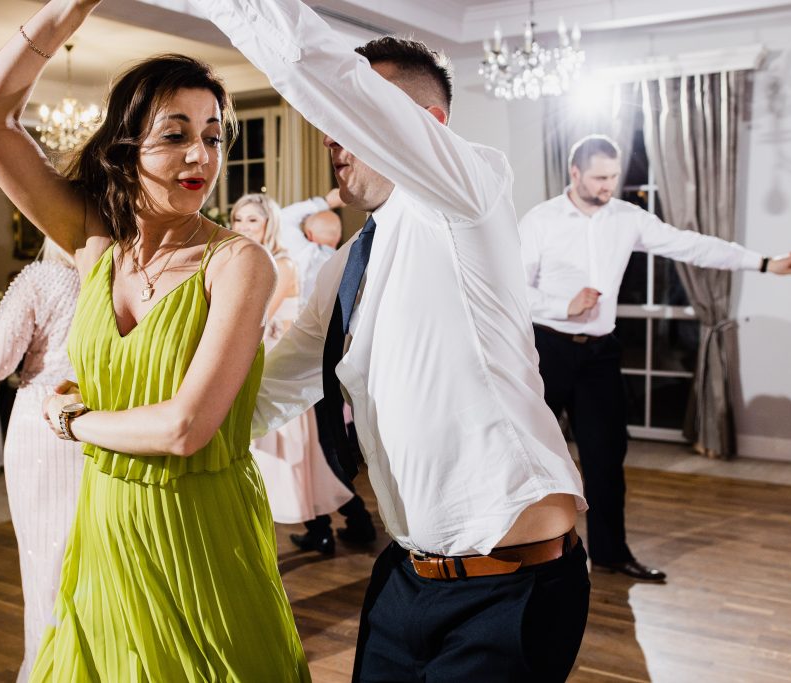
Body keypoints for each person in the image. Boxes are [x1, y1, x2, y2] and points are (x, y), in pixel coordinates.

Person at [199, 1, 590, 679]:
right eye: (331, 125)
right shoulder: (347, 265)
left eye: (354, 118)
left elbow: (315, 63)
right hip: (406, 575)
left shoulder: (469, 193)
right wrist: (142, 420)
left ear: (427, 129)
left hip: (512, 588)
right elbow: (267, 389)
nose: (332, 137)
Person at [0, 1, 309, 680]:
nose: (200, 155)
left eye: (213, 136)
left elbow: (185, 428)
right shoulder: (94, 241)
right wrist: (70, 8)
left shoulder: (240, 263)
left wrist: (71, 418)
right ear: (125, 147)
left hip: (199, 526)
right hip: (105, 518)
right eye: (176, 134)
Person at [519, 134, 791, 582]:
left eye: (613, 176)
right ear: (575, 173)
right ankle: (522, 553)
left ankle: (611, 554)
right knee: (530, 456)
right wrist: (565, 305)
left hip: (600, 354)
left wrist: (764, 262)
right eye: (599, 177)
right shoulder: (540, 220)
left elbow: (691, 245)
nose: (608, 185)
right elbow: (513, 289)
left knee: (606, 458)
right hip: (548, 349)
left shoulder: (627, 218)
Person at [231, 193, 371, 555]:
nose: (243, 227)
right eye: (238, 219)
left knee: (301, 458)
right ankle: (322, 528)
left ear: (269, 224)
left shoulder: (280, 263)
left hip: (283, 370)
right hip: (263, 363)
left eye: (252, 220)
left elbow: (253, 319)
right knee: (296, 460)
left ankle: (341, 523)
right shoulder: (245, 260)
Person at [0, 239, 83, 683]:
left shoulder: (41, 278)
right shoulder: (121, 272)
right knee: (93, 558)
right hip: (104, 421)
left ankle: (50, 670)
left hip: (43, 422)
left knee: (46, 563)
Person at [279, 188, 345, 305]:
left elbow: (281, 218)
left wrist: (326, 202)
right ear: (339, 236)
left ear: (309, 235)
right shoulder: (347, 265)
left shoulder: (301, 250)